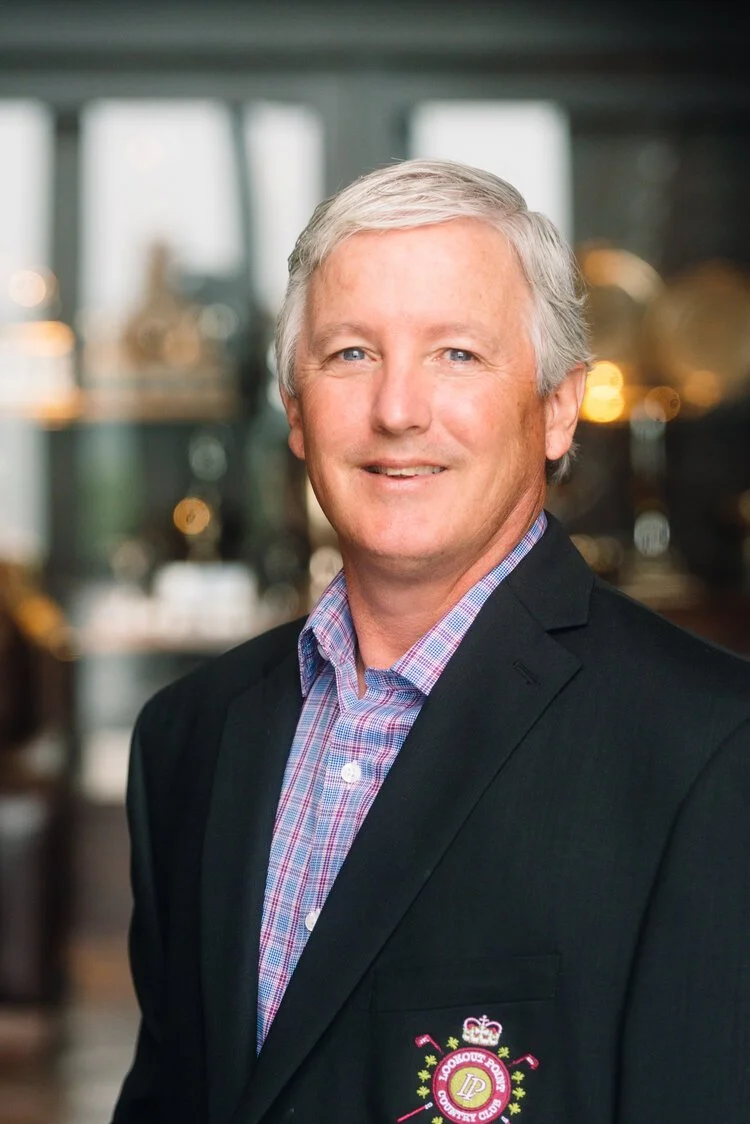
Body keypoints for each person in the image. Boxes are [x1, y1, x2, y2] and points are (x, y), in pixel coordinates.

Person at [112, 160, 750, 1124]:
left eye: (456, 353)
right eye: (350, 355)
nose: (398, 409)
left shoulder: (709, 751)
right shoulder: (186, 739)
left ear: (558, 406)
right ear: (296, 409)